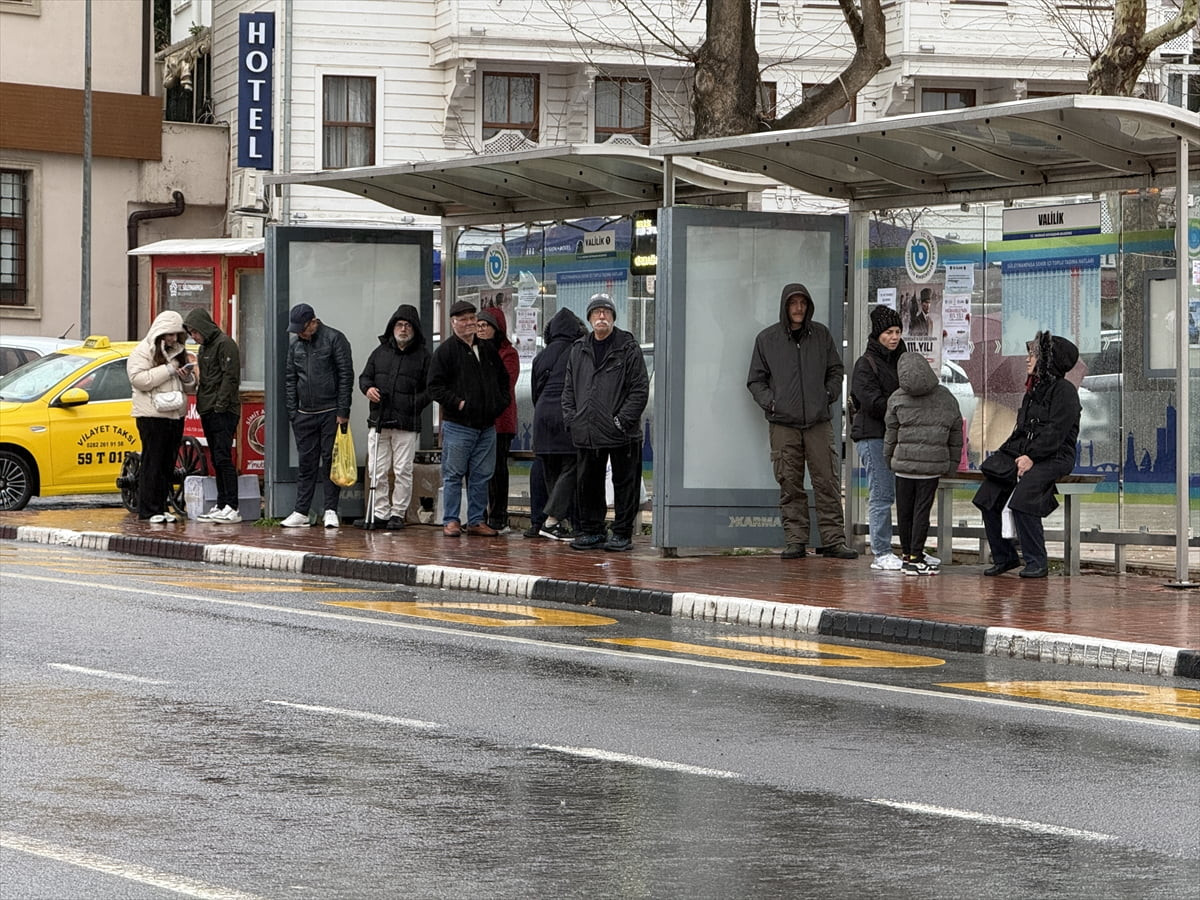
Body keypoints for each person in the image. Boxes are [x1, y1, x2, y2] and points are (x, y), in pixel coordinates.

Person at [747, 283, 858, 560]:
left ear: (808, 306)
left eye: (803, 303)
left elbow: (836, 369)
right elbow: (755, 380)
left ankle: (833, 540)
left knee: (827, 481)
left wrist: (828, 394)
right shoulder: (767, 339)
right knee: (789, 482)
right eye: (793, 303)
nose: (798, 308)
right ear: (785, 306)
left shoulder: (821, 335)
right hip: (783, 424)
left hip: (818, 422)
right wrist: (772, 403)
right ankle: (796, 540)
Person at [973, 331, 1081, 579]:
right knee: (988, 496)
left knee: (1024, 499)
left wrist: (1032, 457)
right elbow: (1022, 429)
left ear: (1048, 359)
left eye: (1033, 354)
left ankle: (1036, 561)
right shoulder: (1034, 389)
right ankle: (1005, 557)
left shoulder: (1064, 391)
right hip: (1026, 453)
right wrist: (1005, 456)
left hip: (1055, 457)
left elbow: (1056, 432)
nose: (1027, 359)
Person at [561, 293, 649, 552]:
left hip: (622, 432)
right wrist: (572, 419)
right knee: (588, 483)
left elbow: (639, 389)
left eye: (606, 312)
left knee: (625, 483)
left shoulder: (627, 347)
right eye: (597, 312)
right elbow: (569, 389)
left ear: (613, 317)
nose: (602, 316)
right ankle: (592, 531)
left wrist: (622, 421)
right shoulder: (579, 349)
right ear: (589, 318)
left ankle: (622, 532)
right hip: (587, 429)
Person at [427, 299, 510, 537]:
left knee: (482, 475)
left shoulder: (487, 349)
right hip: (458, 425)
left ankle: (475, 520)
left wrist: (498, 404)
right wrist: (459, 403)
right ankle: (451, 520)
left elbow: (503, 380)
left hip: (487, 425)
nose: (469, 323)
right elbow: (434, 387)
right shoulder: (445, 352)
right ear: (453, 323)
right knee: (454, 474)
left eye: (472, 318)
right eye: (463, 320)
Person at [883, 354, 964, 576]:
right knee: (921, 512)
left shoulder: (897, 398)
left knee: (904, 512)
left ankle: (907, 555)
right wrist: (952, 464)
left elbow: (890, 434)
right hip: (931, 467)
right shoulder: (945, 397)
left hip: (903, 466)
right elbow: (956, 434)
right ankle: (916, 557)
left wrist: (889, 458)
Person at [356, 303, 430, 531]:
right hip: (379, 420)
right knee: (376, 470)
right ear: (392, 327)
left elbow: (431, 389)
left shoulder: (424, 356)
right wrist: (368, 389)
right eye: (399, 324)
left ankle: (397, 513)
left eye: (408, 325)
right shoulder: (379, 352)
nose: (403, 329)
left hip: (406, 423)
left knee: (402, 470)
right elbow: (364, 377)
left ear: (415, 329)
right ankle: (380, 512)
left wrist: (412, 404)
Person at [281, 303, 354, 529]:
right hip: (304, 414)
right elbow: (290, 378)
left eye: (302, 329)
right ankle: (301, 511)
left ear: (313, 322)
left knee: (331, 462)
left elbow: (346, 376)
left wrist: (343, 411)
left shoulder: (334, 338)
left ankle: (331, 510)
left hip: (330, 412)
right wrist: (293, 412)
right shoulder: (295, 345)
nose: (299, 334)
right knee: (306, 464)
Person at [850, 305, 906, 570]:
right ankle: (881, 551)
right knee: (882, 493)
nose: (894, 337)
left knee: (900, 493)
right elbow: (871, 402)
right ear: (878, 334)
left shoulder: (902, 360)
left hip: (898, 435)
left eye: (897, 331)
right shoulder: (866, 364)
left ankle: (910, 550)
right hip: (873, 435)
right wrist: (900, 409)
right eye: (888, 332)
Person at [127, 310, 196, 523]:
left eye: (177, 335)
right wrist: (169, 369)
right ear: (160, 333)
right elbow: (139, 379)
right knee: (153, 461)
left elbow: (189, 387)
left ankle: (162, 505)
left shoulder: (179, 351)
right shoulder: (143, 351)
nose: (173, 339)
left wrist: (187, 377)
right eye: (169, 334)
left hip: (174, 413)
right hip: (151, 414)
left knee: (167, 463)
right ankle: (149, 509)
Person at [183, 308, 242, 524]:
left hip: (223, 410)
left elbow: (230, 377)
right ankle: (221, 503)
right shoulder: (204, 348)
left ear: (203, 327)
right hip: (208, 408)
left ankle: (232, 506)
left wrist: (220, 405)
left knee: (223, 457)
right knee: (216, 458)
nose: (194, 337)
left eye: (195, 332)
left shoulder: (225, 344)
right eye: (191, 333)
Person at [533, 307, 587, 541]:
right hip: (566, 416)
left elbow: (535, 391)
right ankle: (553, 520)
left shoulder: (541, 356)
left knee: (552, 471)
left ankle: (558, 524)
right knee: (573, 466)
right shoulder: (578, 351)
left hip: (542, 418)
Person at [477, 307, 519, 533]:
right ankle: (478, 516)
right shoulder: (473, 351)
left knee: (497, 469)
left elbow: (505, 384)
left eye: (486, 325)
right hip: (478, 420)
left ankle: (498, 516)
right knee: (477, 470)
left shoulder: (508, 354)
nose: (481, 330)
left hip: (501, 420)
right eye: (478, 326)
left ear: (497, 328)